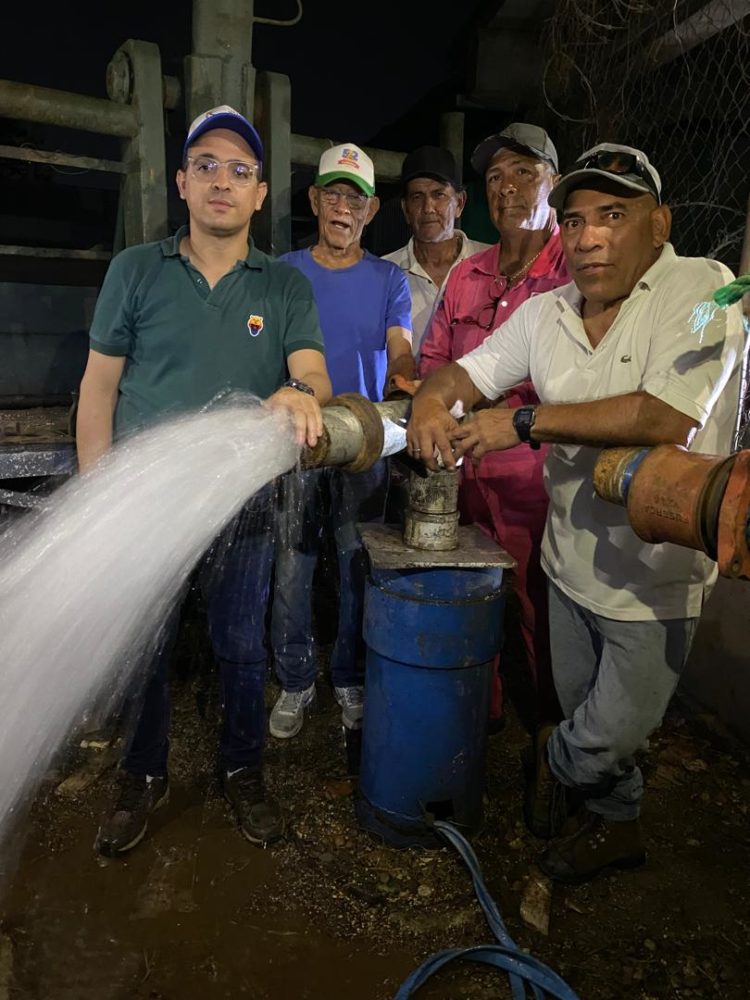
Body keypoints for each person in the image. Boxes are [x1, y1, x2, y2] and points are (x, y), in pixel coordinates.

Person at [406, 142, 742, 883]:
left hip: (653, 583)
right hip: (567, 562)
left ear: (659, 225)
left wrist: (523, 424)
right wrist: (432, 402)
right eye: (578, 219)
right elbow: (467, 371)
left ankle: (550, 764)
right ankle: (616, 825)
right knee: (578, 702)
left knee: (604, 734)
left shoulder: (700, 289)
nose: (590, 236)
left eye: (613, 216)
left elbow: (665, 417)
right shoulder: (547, 312)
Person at [76, 105, 331, 855]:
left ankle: (242, 768)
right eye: (208, 166)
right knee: (145, 646)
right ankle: (142, 774)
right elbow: (97, 391)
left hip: (241, 500)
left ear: (259, 196)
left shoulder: (282, 289)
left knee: (239, 642)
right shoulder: (135, 271)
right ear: (183, 183)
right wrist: (98, 498)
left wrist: (303, 393)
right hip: (142, 500)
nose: (224, 181)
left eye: (242, 171)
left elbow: (311, 369)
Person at [419, 124, 569, 733]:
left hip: (541, 489)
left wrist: (516, 422)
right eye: (495, 178)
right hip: (465, 481)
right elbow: (434, 361)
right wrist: (432, 409)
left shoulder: (575, 274)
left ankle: (554, 749)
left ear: (552, 183)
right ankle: (480, 720)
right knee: (471, 605)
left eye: (524, 173)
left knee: (547, 620)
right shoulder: (467, 273)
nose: (507, 188)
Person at [269, 143, 415, 740]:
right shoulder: (283, 272)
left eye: (354, 198)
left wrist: (409, 376)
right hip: (297, 442)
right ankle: (296, 678)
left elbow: (400, 344)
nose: (342, 207)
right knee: (292, 564)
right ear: (314, 200)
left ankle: (351, 675)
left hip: (362, 444)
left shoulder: (389, 279)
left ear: (371, 209)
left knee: (359, 562)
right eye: (332, 194)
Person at [382, 146, 490, 356]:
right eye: (417, 197)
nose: (428, 207)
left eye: (439, 195)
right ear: (405, 209)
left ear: (459, 202)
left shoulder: (492, 263)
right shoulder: (384, 273)